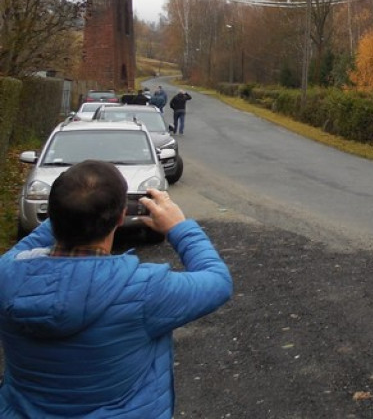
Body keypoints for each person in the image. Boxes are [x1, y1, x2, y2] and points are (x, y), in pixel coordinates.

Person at [0, 160, 232, 417]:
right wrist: (179, 227)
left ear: (52, 214)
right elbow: (218, 281)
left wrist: (71, 212)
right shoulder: (144, 289)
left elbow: (19, 251)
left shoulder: (7, 274)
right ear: (121, 216)